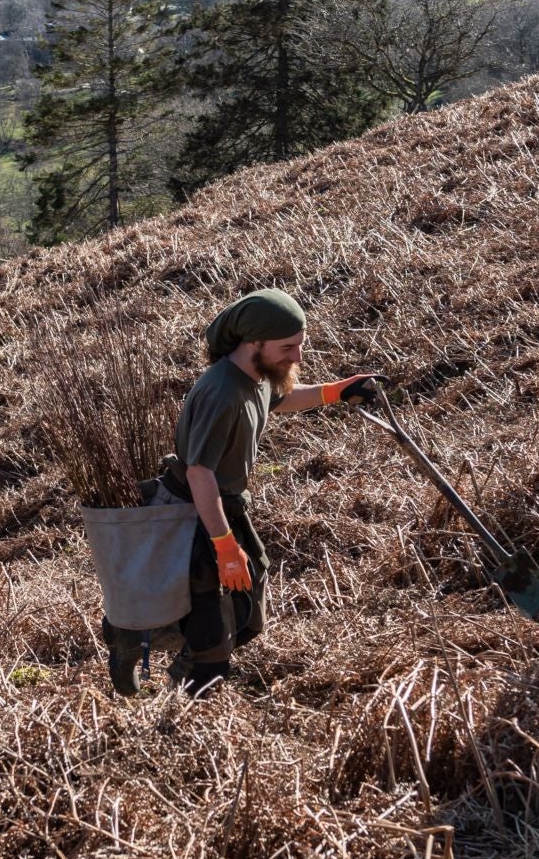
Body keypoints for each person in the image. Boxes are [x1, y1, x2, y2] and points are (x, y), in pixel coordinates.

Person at [159, 288, 379, 693]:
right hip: (194, 514)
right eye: (287, 347)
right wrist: (224, 547)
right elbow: (199, 473)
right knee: (212, 623)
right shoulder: (222, 393)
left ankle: (196, 656)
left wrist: (338, 390)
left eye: (298, 346)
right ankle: (192, 688)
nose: (296, 357)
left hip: (226, 507)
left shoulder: (256, 374)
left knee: (249, 600)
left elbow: (282, 398)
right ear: (254, 342)